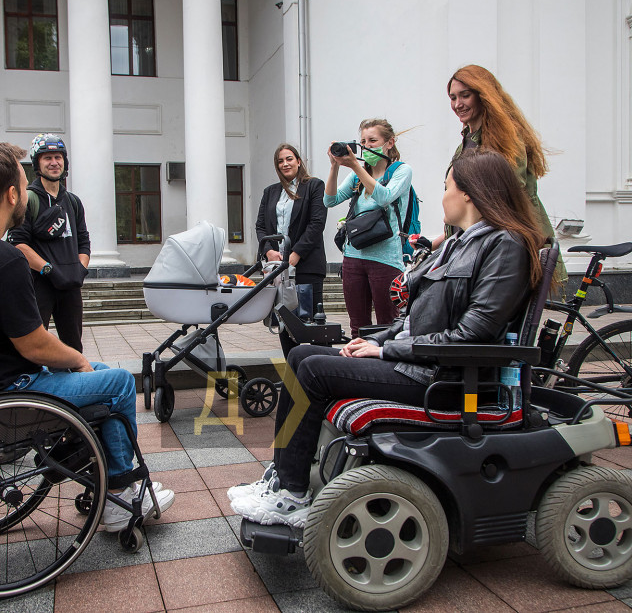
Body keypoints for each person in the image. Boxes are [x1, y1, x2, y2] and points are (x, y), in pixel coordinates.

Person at [229, 150, 545, 527]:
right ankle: (283, 477)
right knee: (301, 356)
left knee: (311, 370)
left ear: (468, 194)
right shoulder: (458, 244)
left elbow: (472, 334)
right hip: (416, 361)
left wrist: (384, 349)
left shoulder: (504, 245)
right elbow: (414, 319)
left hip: (442, 377)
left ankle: (292, 493)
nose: (443, 196)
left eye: (446, 187)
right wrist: (377, 341)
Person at [0, 140, 174, 531]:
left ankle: (108, 480)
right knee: (116, 383)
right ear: (13, 195)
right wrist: (77, 360)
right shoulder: (4, 259)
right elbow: (33, 345)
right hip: (10, 392)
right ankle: (118, 493)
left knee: (98, 375)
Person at [446, 64, 566, 284]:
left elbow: (507, 196)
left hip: (505, 251)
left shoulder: (506, 136)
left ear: (484, 95)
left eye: (465, 95)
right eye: (453, 97)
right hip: (479, 248)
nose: (457, 104)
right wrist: (442, 241)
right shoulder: (465, 143)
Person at [324, 119, 414, 337]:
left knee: (388, 324)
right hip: (353, 256)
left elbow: (384, 197)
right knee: (358, 327)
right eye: (363, 141)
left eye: (373, 141)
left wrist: (355, 165)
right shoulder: (357, 175)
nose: (366, 146)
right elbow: (330, 200)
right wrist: (335, 166)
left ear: (389, 143)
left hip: (386, 258)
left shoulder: (401, 171)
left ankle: (383, 359)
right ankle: (357, 358)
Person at [7, 133, 90, 351]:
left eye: (58, 157)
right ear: (37, 163)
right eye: (47, 158)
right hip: (39, 284)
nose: (54, 163)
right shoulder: (28, 199)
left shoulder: (73, 201)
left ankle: (75, 373)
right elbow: (18, 244)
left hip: (70, 286)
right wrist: (48, 270)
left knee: (74, 345)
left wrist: (80, 269)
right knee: (35, 344)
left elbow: (83, 240)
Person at [256, 143, 327, 355]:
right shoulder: (270, 192)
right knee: (285, 321)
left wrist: (296, 254)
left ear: (298, 161)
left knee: (313, 322)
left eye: (289, 159)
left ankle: (322, 366)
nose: (285, 164)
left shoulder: (314, 186)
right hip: (278, 267)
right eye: (280, 161)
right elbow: (260, 226)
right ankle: (292, 367)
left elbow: (316, 224)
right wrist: (268, 251)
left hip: (306, 265)